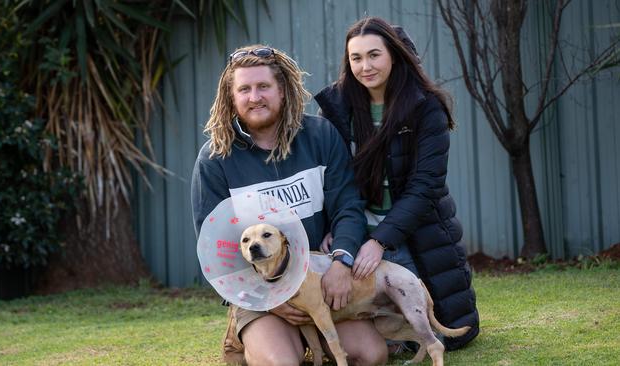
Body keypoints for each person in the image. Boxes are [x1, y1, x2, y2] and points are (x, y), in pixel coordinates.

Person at [191, 44, 388, 365]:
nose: (255, 97)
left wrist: (341, 264)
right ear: (231, 97)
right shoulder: (215, 159)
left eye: (263, 86)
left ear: (282, 90)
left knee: (370, 354)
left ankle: (313, 342)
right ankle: (249, 340)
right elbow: (216, 248)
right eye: (244, 89)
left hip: (321, 279)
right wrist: (268, 300)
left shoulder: (320, 136)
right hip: (261, 290)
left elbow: (348, 207)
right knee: (282, 362)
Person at [314, 17, 480, 351]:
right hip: (358, 224)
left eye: (374, 55)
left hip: (413, 229)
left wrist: (380, 241)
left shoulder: (425, 107)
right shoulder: (336, 108)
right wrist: (337, 229)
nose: (365, 66)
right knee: (366, 342)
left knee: (443, 335)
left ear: (394, 55)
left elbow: (426, 186)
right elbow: (327, 176)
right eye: (356, 58)